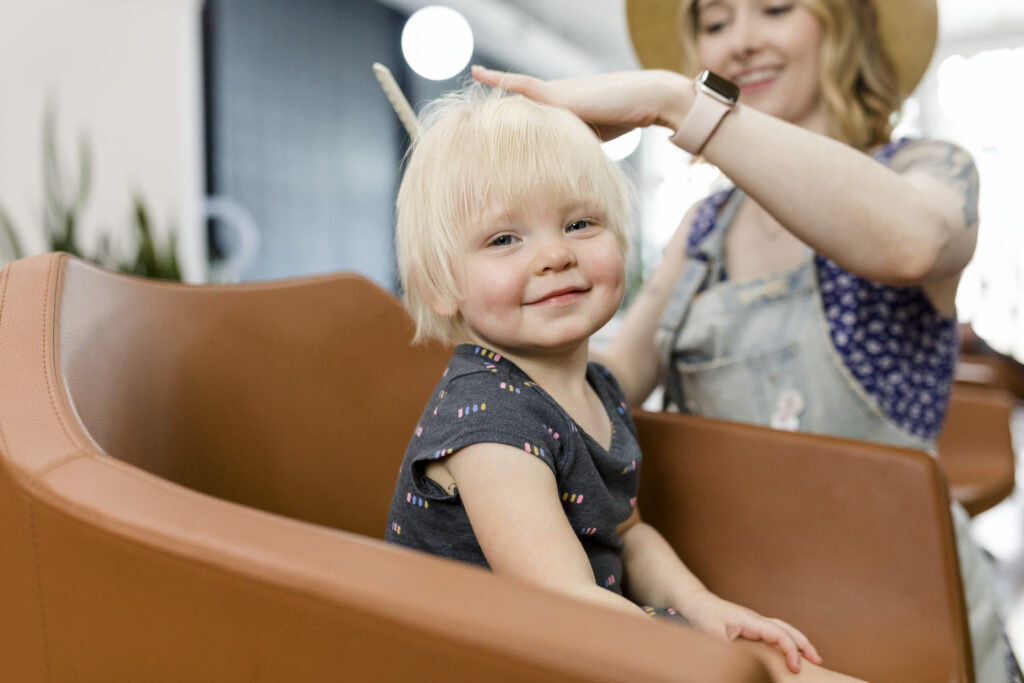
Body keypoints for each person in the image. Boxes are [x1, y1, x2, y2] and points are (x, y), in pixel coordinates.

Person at [472, 0, 1021, 681]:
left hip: (904, 613)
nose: (742, 42)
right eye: (716, 21)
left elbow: (913, 243)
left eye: (774, 7)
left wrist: (673, 103)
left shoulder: (929, 169)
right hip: (734, 611)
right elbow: (612, 373)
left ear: (841, 26)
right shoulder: (705, 226)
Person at [384, 83, 864, 681]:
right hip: (495, 657)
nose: (555, 255)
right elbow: (562, 605)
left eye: (580, 223)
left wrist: (703, 609)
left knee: (785, 667)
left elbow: (627, 533)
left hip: (590, 634)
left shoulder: (599, 389)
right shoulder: (491, 428)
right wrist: (711, 657)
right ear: (439, 285)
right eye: (504, 239)